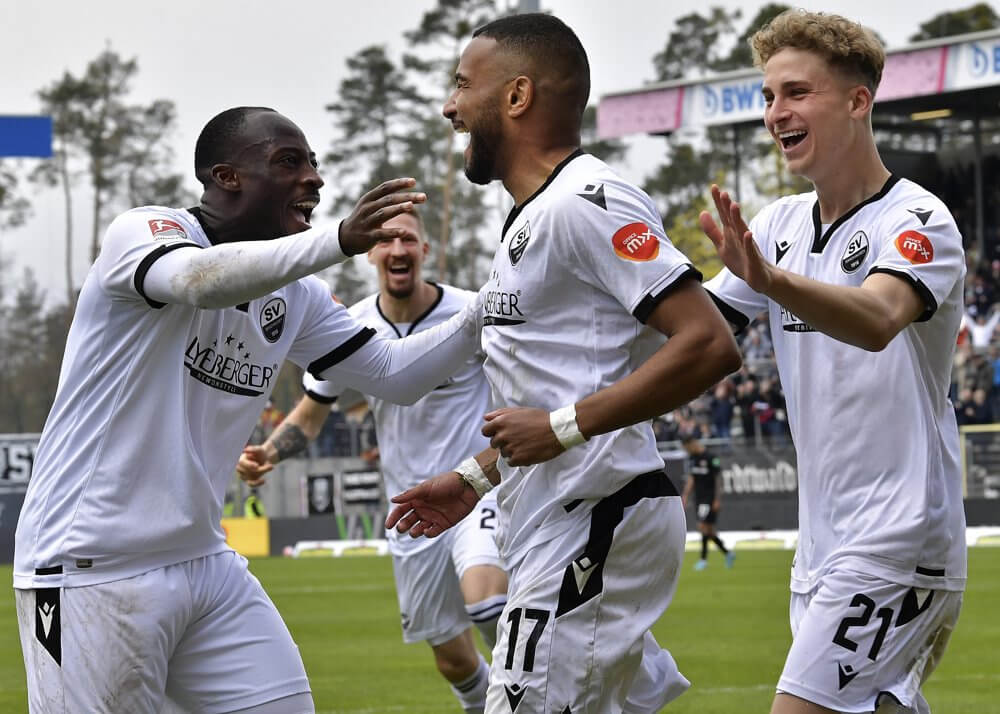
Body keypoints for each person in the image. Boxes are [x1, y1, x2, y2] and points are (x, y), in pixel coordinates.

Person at [13, 106, 488, 714]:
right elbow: (200, 281)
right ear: (226, 176)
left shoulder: (298, 294)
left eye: (314, 163)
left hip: (204, 561)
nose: (314, 178)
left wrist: (490, 305)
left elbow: (396, 376)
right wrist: (339, 240)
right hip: (89, 564)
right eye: (289, 162)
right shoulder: (146, 232)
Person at [386, 14, 742, 713]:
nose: (450, 106)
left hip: (597, 514)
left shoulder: (586, 202)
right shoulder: (530, 218)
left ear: (516, 96)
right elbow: (564, 393)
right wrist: (474, 478)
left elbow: (707, 342)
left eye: (462, 85)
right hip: (553, 516)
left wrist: (561, 428)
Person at [699, 11, 966, 713]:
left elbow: (877, 319)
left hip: (900, 536)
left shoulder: (919, 220)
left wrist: (771, 282)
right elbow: (693, 335)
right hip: (822, 544)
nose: (775, 113)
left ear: (857, 101)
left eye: (796, 92)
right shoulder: (778, 225)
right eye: (768, 96)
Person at [237, 209, 508, 714]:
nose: (397, 249)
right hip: (411, 510)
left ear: (425, 250)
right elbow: (311, 415)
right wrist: (268, 452)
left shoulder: (471, 313)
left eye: (407, 239)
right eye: (385, 240)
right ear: (370, 254)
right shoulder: (350, 327)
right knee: (453, 661)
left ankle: (536, 694)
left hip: (478, 490)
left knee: (489, 601)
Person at [679, 431, 733, 571]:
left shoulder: (710, 457)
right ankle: (728, 553)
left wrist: (717, 499)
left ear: (692, 443)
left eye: (686, 448)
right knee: (708, 530)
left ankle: (703, 560)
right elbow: (692, 478)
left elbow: (718, 479)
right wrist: (685, 495)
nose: (686, 451)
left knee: (702, 526)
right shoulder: (693, 458)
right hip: (699, 498)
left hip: (709, 498)